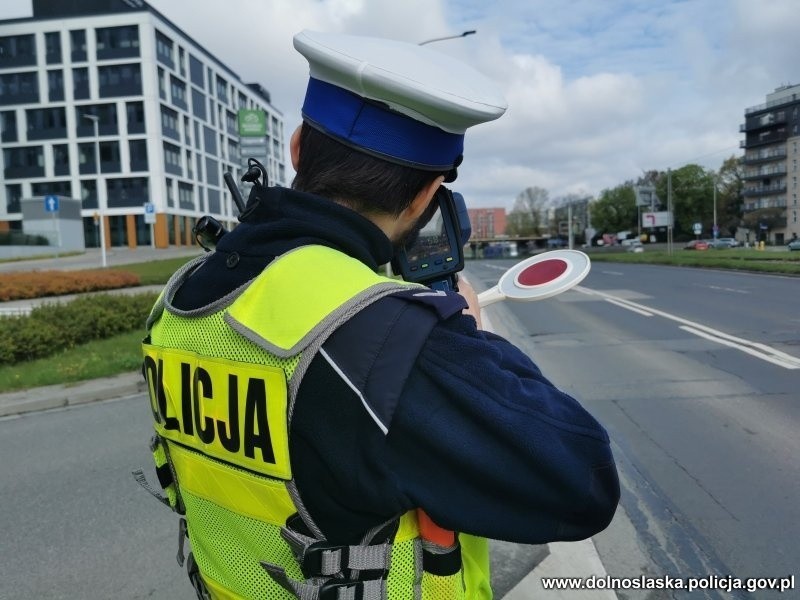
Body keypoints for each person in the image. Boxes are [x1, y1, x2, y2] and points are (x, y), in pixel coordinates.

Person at [139, 29, 619, 600]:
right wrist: (462, 330)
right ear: (425, 197)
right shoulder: (391, 340)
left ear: (296, 148)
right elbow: (581, 481)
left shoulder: (181, 299)